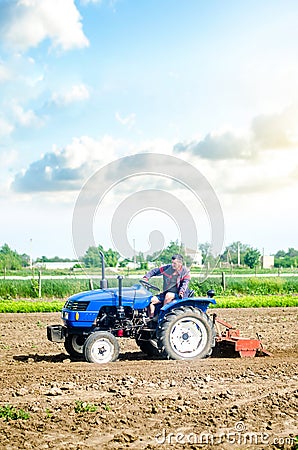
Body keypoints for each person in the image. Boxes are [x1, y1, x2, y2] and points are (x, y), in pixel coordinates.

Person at [143, 254, 190, 318]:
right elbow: (155, 271)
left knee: (168, 295)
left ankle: (161, 316)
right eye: (172, 263)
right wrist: (147, 277)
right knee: (149, 300)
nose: (172, 265)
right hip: (166, 293)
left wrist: (181, 291)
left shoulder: (185, 272)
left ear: (180, 263)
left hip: (179, 295)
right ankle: (151, 319)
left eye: (175, 263)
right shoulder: (168, 268)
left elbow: (185, 283)